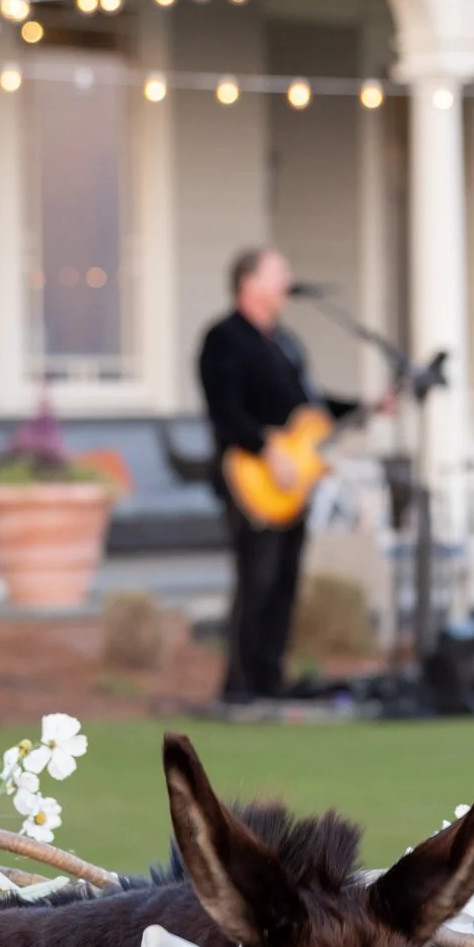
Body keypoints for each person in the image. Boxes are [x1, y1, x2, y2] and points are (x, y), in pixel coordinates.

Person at [199, 245, 356, 705]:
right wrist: (266, 448)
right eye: (278, 272)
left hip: (296, 484)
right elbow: (224, 410)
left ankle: (271, 679)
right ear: (249, 283)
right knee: (258, 580)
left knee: (285, 582)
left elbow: (310, 407)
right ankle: (241, 687)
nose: (288, 279)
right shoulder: (224, 339)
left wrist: (368, 404)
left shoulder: (285, 343)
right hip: (251, 479)